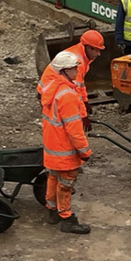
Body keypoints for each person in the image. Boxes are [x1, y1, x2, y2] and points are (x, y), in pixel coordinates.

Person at [39, 49, 94, 234]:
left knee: (53, 179)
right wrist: (85, 151)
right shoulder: (67, 96)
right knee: (66, 184)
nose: (76, 71)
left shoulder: (51, 90)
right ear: (64, 71)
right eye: (73, 68)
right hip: (65, 151)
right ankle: (67, 218)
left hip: (52, 148)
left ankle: (52, 211)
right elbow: (74, 130)